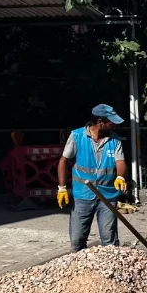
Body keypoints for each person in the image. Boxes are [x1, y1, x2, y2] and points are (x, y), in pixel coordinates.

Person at [57, 104, 129, 252]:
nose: (114, 125)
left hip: (107, 195)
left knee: (109, 241)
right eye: (111, 122)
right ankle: (79, 270)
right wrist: (62, 188)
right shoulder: (77, 136)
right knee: (77, 240)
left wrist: (120, 177)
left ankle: (110, 269)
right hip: (82, 195)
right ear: (100, 122)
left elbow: (120, 162)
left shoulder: (114, 140)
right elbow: (63, 161)